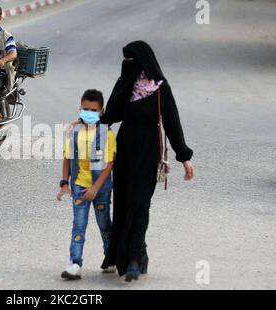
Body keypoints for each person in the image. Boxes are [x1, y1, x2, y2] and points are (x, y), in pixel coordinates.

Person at [99, 41, 195, 282]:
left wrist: (185, 158)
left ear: (141, 60)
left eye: (130, 60)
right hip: (125, 150)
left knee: (140, 203)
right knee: (123, 203)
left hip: (149, 150)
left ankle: (133, 259)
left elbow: (173, 124)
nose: (126, 65)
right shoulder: (127, 85)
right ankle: (127, 256)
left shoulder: (161, 89)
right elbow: (110, 115)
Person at [57, 89, 117, 280]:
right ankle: (74, 263)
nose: (88, 112)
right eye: (85, 109)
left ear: (101, 110)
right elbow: (67, 158)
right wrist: (64, 183)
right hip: (79, 188)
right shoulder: (74, 132)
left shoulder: (107, 134)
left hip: (100, 189)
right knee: (79, 225)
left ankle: (110, 258)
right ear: (80, 108)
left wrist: (96, 188)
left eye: (93, 109)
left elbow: (109, 164)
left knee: (104, 224)